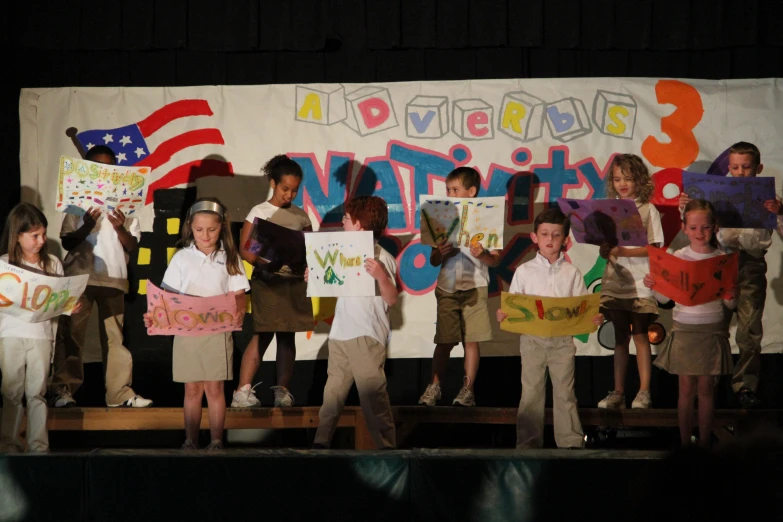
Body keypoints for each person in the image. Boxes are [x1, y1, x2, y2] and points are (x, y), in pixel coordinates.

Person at [679, 142, 783, 408]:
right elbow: (697, 223)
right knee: (715, 327)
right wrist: (686, 205)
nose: (739, 172)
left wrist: (779, 213)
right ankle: (709, 384)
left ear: (757, 168)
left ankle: (745, 386)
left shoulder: (769, 198)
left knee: (749, 330)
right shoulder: (717, 193)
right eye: (734, 167)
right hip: (720, 262)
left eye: (746, 167)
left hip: (751, 264)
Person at [50, 145, 152, 408]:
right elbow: (67, 241)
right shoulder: (76, 200)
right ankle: (63, 389)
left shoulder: (125, 202)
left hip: (114, 277)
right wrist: (85, 225)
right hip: (79, 276)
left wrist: (119, 227)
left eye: (108, 167)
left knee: (115, 337)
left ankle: (119, 392)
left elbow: (132, 245)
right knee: (71, 333)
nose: (103, 172)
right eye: (97, 167)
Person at [144, 198, 248, 450]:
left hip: (217, 332)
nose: (205, 235)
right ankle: (190, 439)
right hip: (187, 332)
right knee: (192, 389)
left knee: (214, 388)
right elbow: (167, 297)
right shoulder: (182, 258)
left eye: (211, 229)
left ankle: (216, 440)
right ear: (191, 228)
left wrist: (240, 312)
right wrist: (155, 315)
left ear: (221, 228)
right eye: (199, 230)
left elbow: (239, 294)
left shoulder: (229, 257)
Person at [496, 208, 600, 449]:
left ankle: (571, 442)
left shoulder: (571, 272)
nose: (550, 240)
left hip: (562, 341)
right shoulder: (524, 271)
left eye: (556, 235)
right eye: (544, 234)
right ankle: (529, 443)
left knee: (565, 393)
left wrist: (592, 318)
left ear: (565, 240)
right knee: (531, 393)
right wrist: (505, 313)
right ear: (535, 238)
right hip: (532, 339)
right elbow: (514, 305)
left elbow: (581, 306)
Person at [645, 200, 736, 448]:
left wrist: (730, 294)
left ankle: (705, 443)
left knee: (706, 388)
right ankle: (686, 444)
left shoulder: (721, 259)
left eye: (705, 227)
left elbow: (730, 305)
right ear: (685, 228)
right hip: (684, 328)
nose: (699, 233)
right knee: (685, 388)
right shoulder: (678, 257)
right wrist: (655, 286)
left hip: (710, 329)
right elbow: (666, 298)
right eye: (694, 228)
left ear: (715, 227)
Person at [311, 196, 397, 449]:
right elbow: (332, 282)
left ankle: (386, 447)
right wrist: (313, 275)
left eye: (347, 218)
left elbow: (391, 298)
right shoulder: (342, 254)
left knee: (372, 397)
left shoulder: (382, 257)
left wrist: (381, 275)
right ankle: (321, 442)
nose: (343, 221)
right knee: (332, 394)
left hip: (366, 335)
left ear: (359, 224)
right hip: (341, 333)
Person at [232, 155, 313, 408]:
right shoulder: (260, 212)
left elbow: (312, 251)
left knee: (287, 337)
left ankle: (282, 391)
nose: (289, 195)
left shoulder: (301, 216)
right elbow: (246, 250)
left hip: (294, 281)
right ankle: (242, 391)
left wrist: (310, 266)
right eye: (284, 189)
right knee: (263, 333)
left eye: (294, 190)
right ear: (273, 183)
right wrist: (265, 264)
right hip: (268, 280)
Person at [0, 204, 81, 453]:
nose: (41, 241)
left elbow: (57, 301)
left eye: (43, 234)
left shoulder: (52, 263)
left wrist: (69, 306)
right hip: (11, 334)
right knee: (12, 393)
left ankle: (38, 446)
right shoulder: (5, 264)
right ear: (18, 235)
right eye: (34, 235)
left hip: (41, 335)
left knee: (37, 392)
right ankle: (9, 444)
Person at [418, 167, 501, 407]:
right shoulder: (442, 217)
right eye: (448, 189)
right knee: (444, 340)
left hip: (475, 286)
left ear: (471, 191)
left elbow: (495, 260)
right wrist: (440, 252)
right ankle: (434, 386)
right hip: (447, 286)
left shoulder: (488, 217)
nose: (450, 193)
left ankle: (467, 390)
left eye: (455, 189)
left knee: (472, 340)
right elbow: (434, 259)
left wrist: (483, 253)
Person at [597, 154, 663, 410]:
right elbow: (608, 246)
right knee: (620, 337)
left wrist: (623, 252)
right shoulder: (608, 211)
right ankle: (619, 392)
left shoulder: (648, 209)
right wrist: (607, 251)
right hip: (615, 278)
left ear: (639, 180)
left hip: (640, 279)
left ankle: (644, 391)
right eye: (616, 179)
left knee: (640, 335)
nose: (622, 183)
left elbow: (655, 247)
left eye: (628, 178)